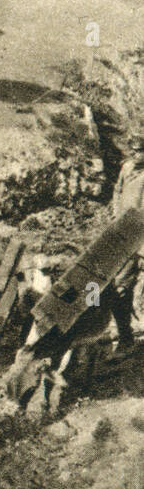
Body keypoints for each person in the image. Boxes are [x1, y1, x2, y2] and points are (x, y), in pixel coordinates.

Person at [109, 136, 144, 355]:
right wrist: (115, 216)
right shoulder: (127, 168)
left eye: (140, 151)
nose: (136, 155)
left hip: (140, 239)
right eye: (133, 151)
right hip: (124, 236)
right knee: (118, 288)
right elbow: (117, 192)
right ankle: (123, 335)